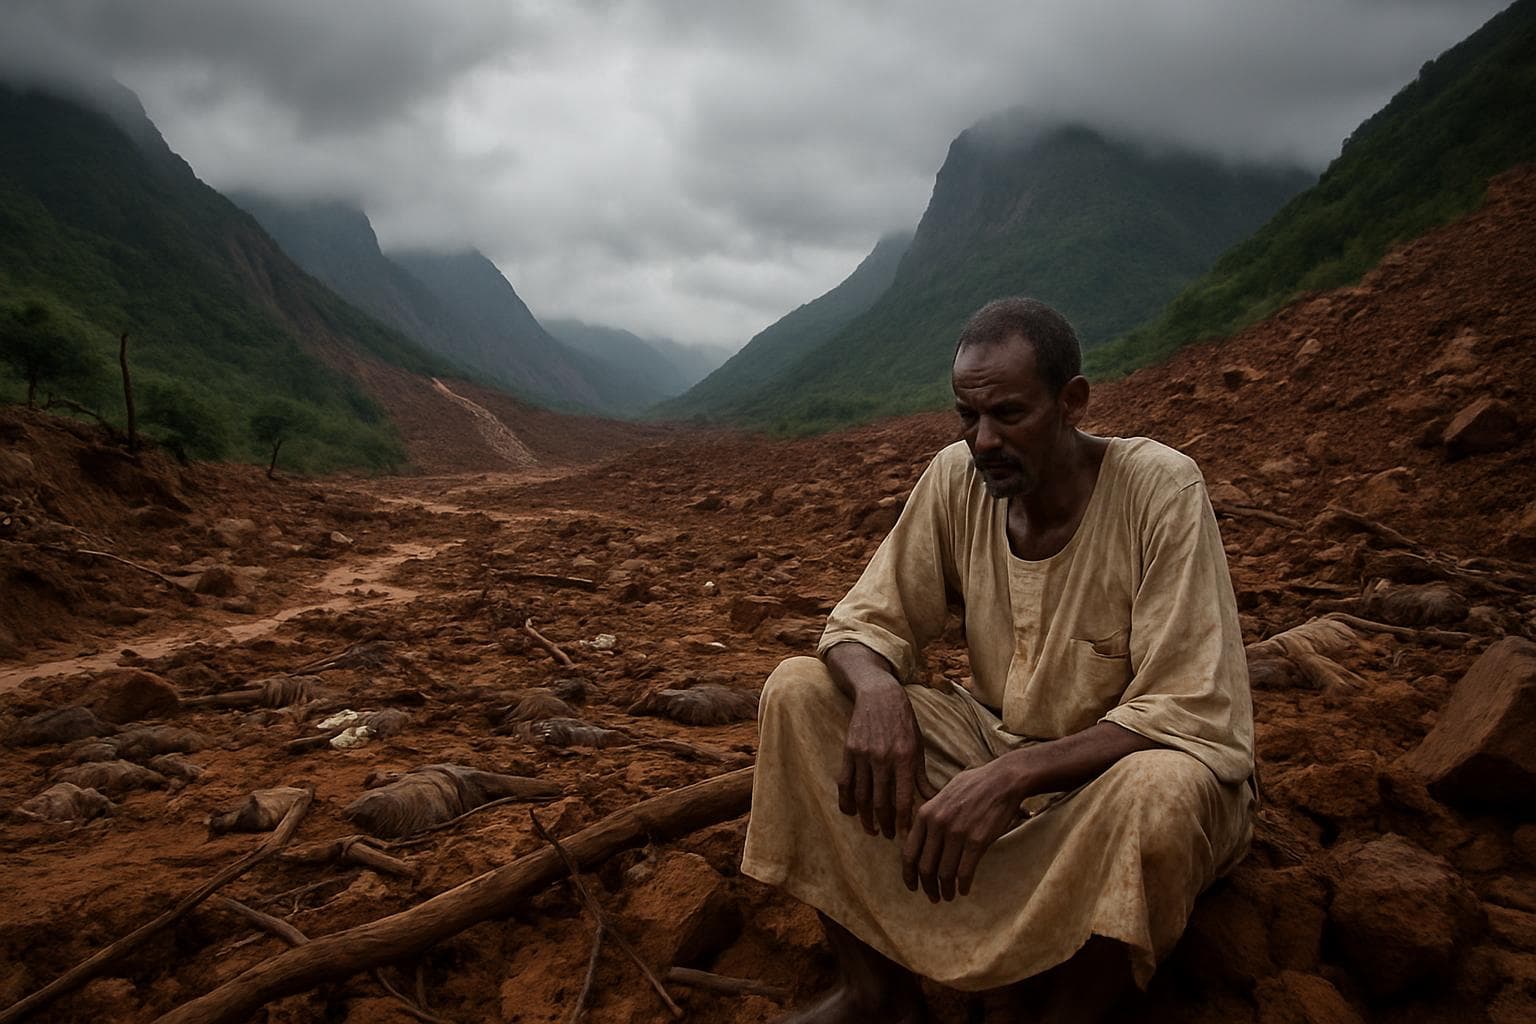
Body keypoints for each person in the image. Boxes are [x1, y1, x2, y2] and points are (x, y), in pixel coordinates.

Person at [741, 297, 1254, 1023]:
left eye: (1009, 415)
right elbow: (862, 622)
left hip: (1110, 776)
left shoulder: (1160, 488)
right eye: (966, 416)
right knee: (799, 690)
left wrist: (1015, 774)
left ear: (1071, 402)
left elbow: (1189, 707)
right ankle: (876, 993)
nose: (983, 440)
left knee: (1163, 793)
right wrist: (881, 689)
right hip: (993, 740)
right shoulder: (959, 478)